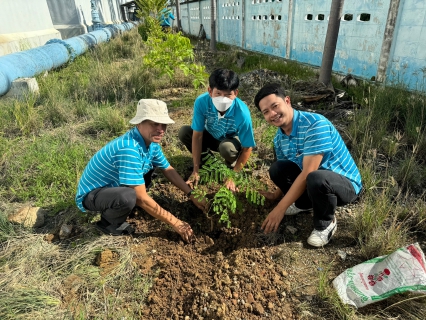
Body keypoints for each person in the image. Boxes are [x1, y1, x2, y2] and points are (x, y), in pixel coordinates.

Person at [75, 99, 206, 242]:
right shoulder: (129, 148)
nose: (161, 129)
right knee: (129, 196)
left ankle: (124, 205)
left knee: (149, 170)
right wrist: (175, 222)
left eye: (163, 124)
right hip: (92, 195)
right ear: (139, 123)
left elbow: (168, 169)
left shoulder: (151, 143)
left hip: (112, 187)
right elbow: (140, 197)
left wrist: (191, 193)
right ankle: (109, 223)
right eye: (154, 123)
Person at [254, 83, 362, 247]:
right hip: (313, 181)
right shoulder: (279, 138)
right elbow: (291, 170)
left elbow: (307, 173)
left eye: (275, 106)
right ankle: (304, 204)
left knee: (315, 178)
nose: (273, 114)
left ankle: (325, 223)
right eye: (266, 112)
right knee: (277, 169)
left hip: (344, 184)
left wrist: (280, 209)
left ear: (287, 101)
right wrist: (276, 195)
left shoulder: (314, 125)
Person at [178, 69, 256, 191]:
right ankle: (208, 164)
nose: (223, 99)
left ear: (236, 93)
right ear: (210, 91)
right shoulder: (202, 102)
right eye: (218, 94)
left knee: (227, 148)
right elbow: (197, 135)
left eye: (228, 95)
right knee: (185, 132)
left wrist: (233, 177)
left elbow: (247, 148)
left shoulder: (242, 113)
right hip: (210, 134)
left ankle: (230, 166)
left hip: (229, 140)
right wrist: (195, 169)